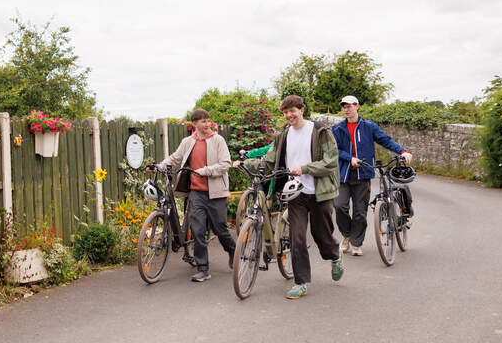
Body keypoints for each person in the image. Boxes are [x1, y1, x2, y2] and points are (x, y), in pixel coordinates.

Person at [234, 95, 342, 299]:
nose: (289, 115)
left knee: (322, 236)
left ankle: (335, 256)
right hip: (295, 193)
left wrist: (305, 168)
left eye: (292, 111)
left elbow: (331, 162)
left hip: (319, 192)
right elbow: (269, 161)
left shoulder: (320, 131)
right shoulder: (283, 135)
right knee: (297, 237)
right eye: (285, 112)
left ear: (302, 109)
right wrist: (245, 164)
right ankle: (301, 282)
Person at [148, 108, 236, 282]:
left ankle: (233, 250)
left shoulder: (218, 140)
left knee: (221, 229)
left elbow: (226, 164)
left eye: (208, 120)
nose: (207, 124)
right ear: (194, 124)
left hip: (216, 193)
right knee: (197, 230)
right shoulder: (188, 142)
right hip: (196, 192)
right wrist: (159, 166)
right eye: (203, 121)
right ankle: (203, 268)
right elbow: (175, 158)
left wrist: (206, 171)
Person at [331, 95, 413, 256]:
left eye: (350, 106)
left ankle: (356, 243)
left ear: (357, 106)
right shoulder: (337, 128)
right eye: (344, 106)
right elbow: (334, 149)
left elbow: (385, 140)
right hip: (343, 174)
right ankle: (346, 235)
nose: (347, 109)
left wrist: (403, 151)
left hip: (363, 174)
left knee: (360, 212)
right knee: (340, 206)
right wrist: (350, 158)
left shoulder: (369, 126)